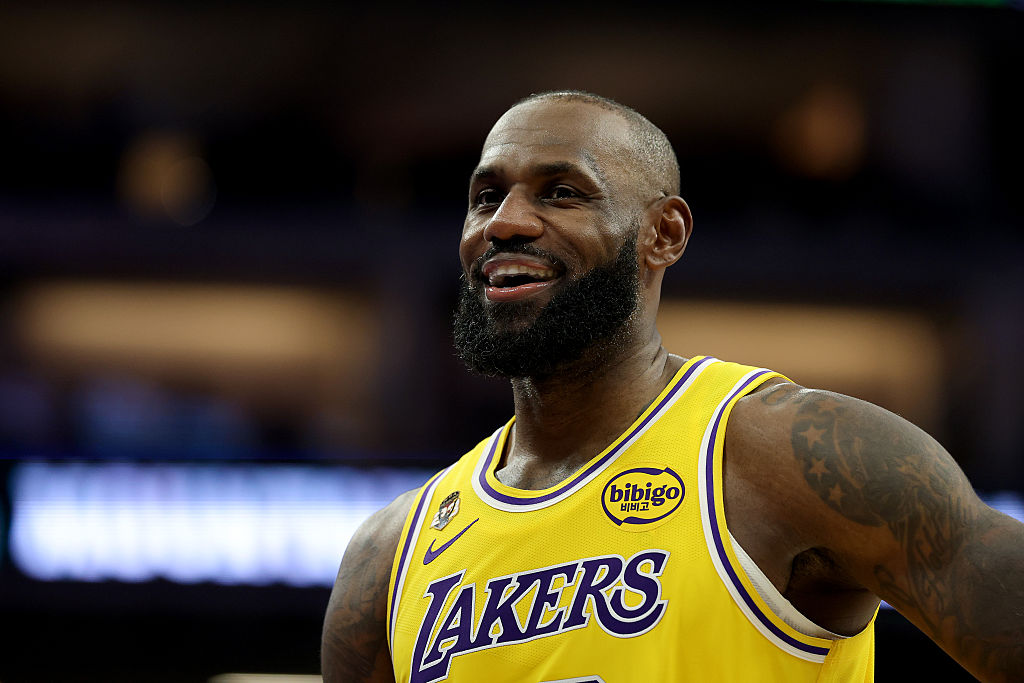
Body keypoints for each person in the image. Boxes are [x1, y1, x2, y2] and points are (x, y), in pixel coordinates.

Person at [321, 91, 1024, 682]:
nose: (504, 222)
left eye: (562, 192)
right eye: (486, 196)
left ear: (663, 233)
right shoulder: (388, 555)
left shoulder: (795, 458)